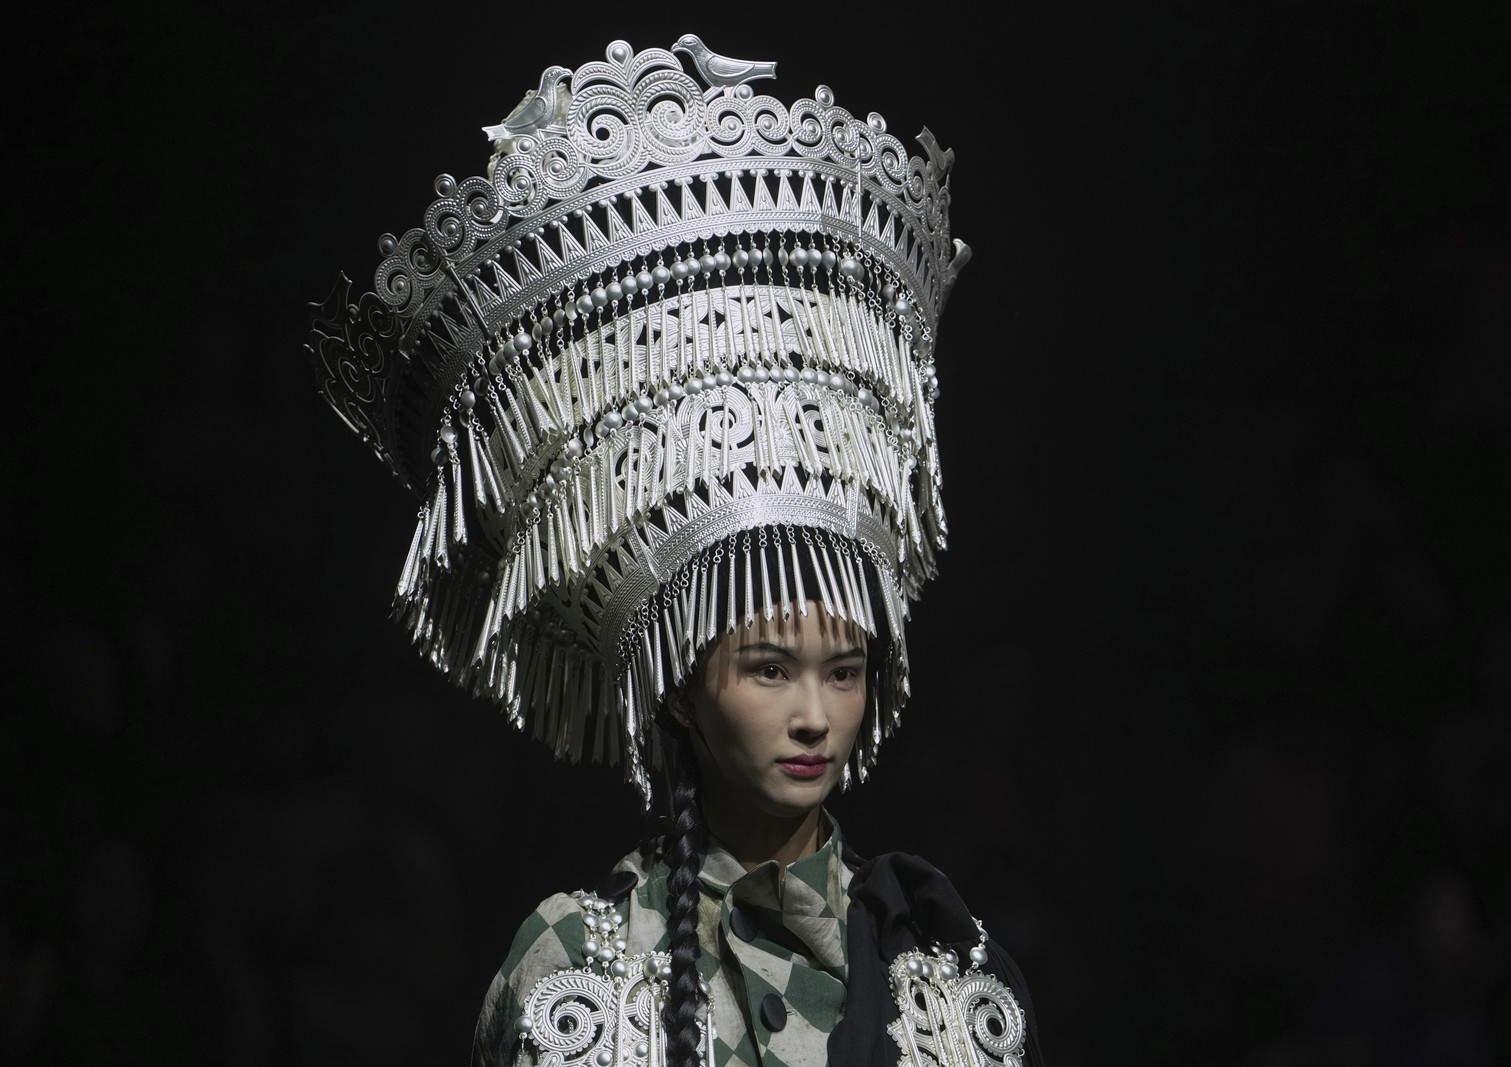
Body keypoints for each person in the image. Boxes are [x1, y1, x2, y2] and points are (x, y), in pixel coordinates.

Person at [308, 32, 1041, 1066]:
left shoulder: (951, 980)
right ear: (682, 689)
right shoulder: (577, 973)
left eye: (844, 670)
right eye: (769, 667)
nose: (814, 714)